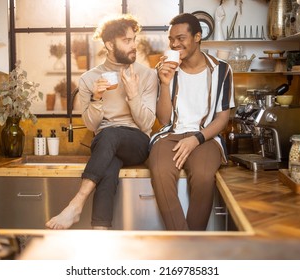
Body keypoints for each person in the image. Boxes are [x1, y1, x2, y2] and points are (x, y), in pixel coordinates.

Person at [46, 14, 158, 230]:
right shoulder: (89, 79)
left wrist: (133, 95)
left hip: (137, 142)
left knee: (110, 135)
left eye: (134, 39)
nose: (133, 45)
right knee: (109, 166)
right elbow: (91, 125)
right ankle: (100, 232)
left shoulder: (146, 76)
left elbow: (146, 124)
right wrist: (96, 98)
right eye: (127, 41)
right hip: (105, 143)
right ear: (109, 44)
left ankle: (76, 203)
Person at [148, 13, 235, 231]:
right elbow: (163, 119)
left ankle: (192, 240)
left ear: (197, 36)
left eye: (180, 38)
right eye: (171, 39)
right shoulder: (166, 69)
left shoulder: (222, 70)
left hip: (206, 137)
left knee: (205, 176)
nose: (175, 44)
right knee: (159, 172)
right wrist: (165, 84)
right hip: (170, 135)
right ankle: (186, 243)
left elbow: (222, 118)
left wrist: (196, 139)